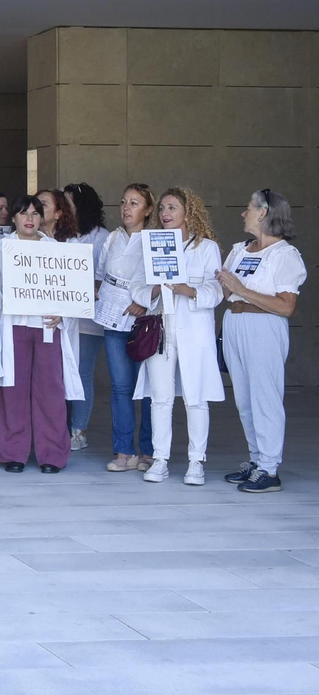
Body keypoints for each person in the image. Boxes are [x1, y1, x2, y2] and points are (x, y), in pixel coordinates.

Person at [132, 187, 223, 486]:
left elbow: (217, 289)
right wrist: (154, 289)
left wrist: (191, 290)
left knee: (196, 398)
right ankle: (160, 459)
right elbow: (137, 287)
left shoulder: (206, 247)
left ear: (188, 212)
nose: (165, 213)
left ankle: (196, 461)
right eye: (162, 208)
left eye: (172, 207)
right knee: (160, 398)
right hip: (161, 329)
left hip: (194, 330)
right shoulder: (151, 245)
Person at [217, 189, 305, 493]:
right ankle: (256, 460)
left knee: (265, 396)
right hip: (235, 322)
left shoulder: (284, 255)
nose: (244, 214)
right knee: (244, 398)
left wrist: (241, 288)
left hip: (264, 325)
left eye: (248, 208)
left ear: (264, 213)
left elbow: (286, 306)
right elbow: (226, 291)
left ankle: (270, 467)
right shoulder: (240, 249)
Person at [0, 196, 82, 473]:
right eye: (23, 212)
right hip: (14, 325)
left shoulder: (55, 249)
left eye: (35, 213)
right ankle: (12, 452)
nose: (29, 217)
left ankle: (52, 454)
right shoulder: (0, 249)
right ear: (13, 218)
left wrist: (64, 313)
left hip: (47, 328)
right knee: (12, 392)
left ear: (41, 218)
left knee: (50, 392)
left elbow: (70, 291)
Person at [96, 184, 155, 472]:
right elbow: (98, 276)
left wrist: (144, 303)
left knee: (146, 388)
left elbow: (162, 279)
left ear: (147, 210)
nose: (127, 208)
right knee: (121, 386)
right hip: (112, 313)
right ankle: (123, 450)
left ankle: (149, 450)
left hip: (143, 320)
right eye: (123, 202)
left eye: (134, 203)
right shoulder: (112, 238)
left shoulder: (154, 240)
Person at [60, 183, 110, 453]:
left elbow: (104, 279)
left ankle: (78, 429)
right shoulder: (60, 235)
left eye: (68, 202)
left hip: (88, 318)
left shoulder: (102, 237)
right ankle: (59, 427)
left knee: (81, 372)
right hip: (61, 317)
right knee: (59, 372)